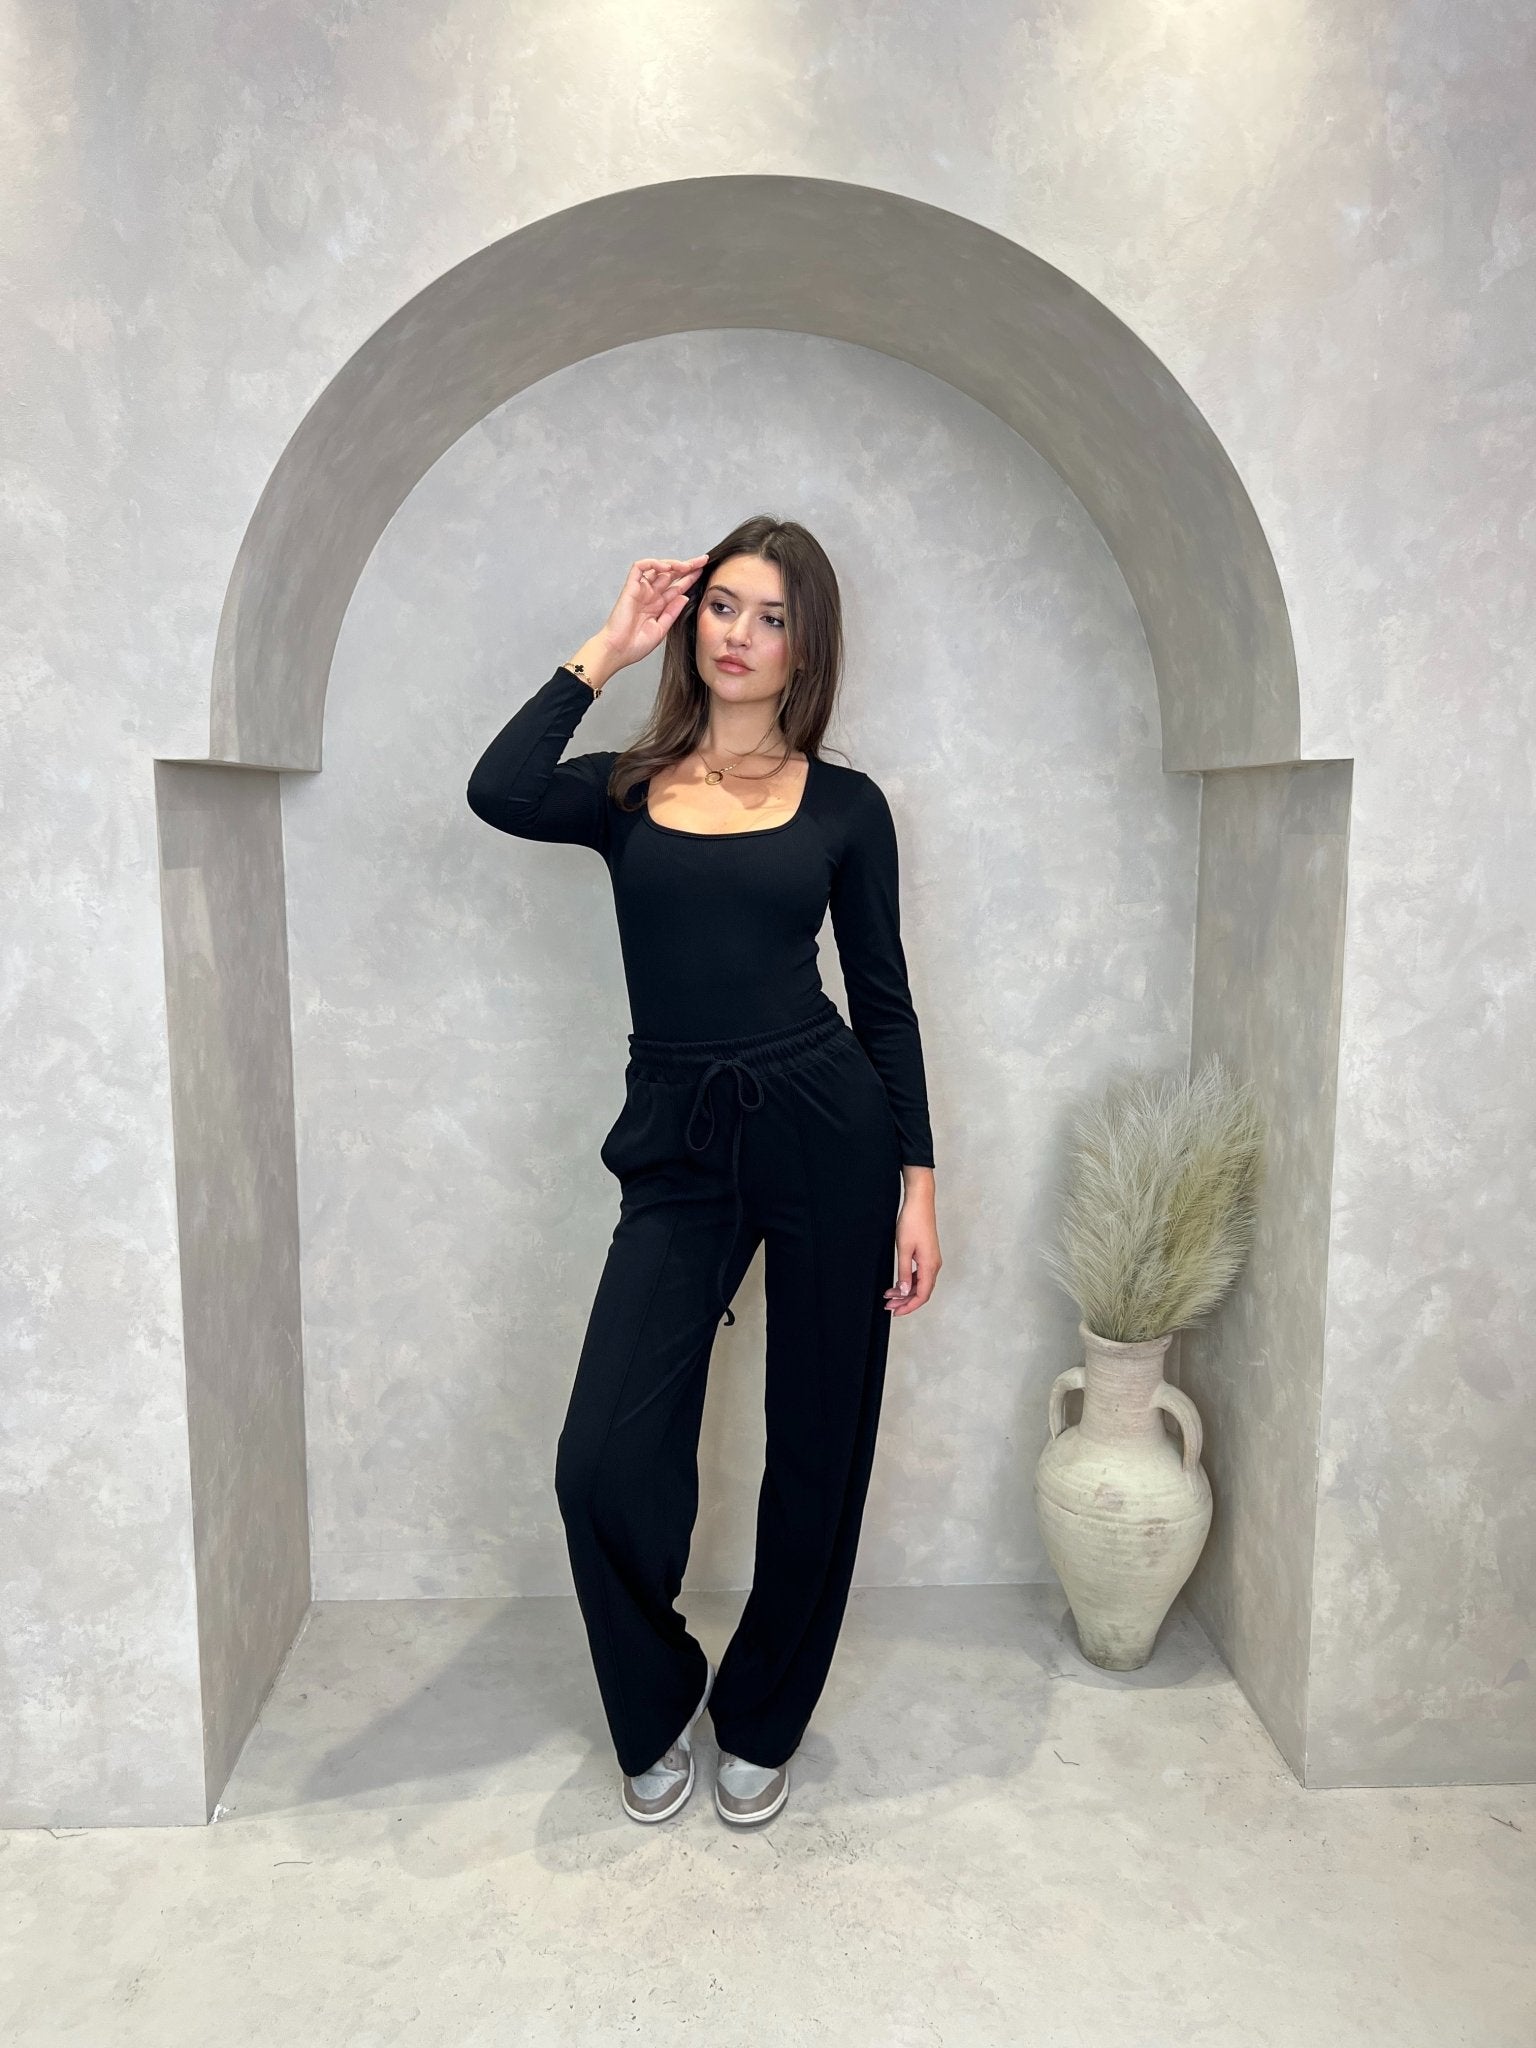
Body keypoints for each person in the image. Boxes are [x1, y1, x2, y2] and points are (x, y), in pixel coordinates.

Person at [466, 515, 941, 1827]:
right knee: (600, 1460)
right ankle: (655, 1694)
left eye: (771, 617)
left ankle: (766, 1715)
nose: (740, 634)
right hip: (681, 1141)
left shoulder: (844, 806)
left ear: (805, 647)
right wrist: (609, 646)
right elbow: (499, 790)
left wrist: (918, 1184)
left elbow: (885, 1002)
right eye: (723, 605)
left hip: (828, 1125)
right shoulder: (626, 787)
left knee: (819, 1443)